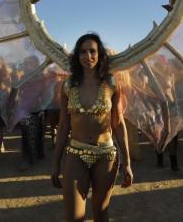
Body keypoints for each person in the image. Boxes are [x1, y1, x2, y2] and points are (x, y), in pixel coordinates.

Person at [51, 33, 133, 222]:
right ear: (77, 56)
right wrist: (55, 163)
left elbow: (118, 123)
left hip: (106, 156)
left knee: (100, 213)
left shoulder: (112, 83)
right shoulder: (67, 85)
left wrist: (127, 163)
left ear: (100, 54)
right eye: (82, 52)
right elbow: (63, 125)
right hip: (75, 153)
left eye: (92, 51)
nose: (88, 56)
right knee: (73, 217)